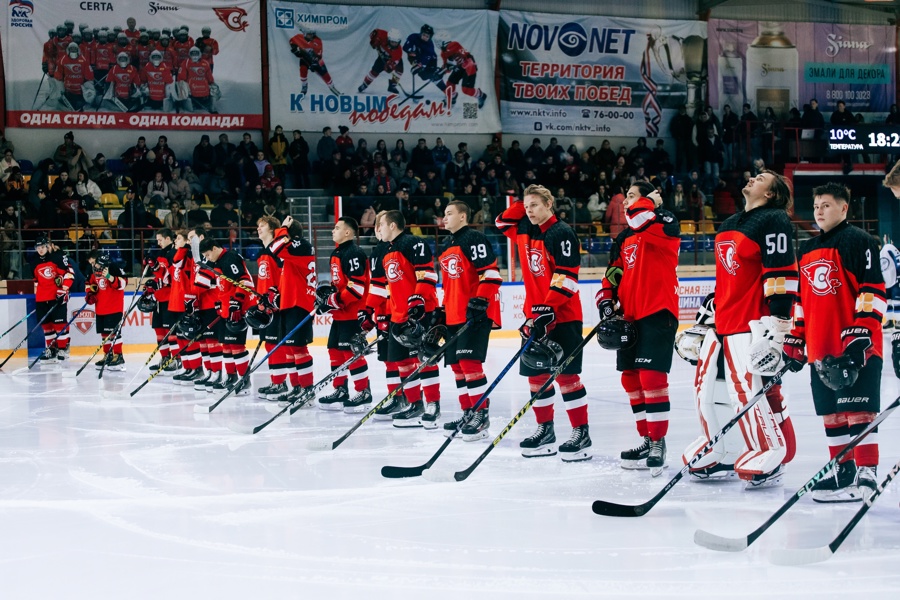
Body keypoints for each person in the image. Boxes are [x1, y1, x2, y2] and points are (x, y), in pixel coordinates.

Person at [681, 169, 798, 488]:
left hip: (752, 323)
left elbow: (782, 273)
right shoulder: (730, 224)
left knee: (746, 390)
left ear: (772, 194)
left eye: (760, 178)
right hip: (723, 322)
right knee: (706, 388)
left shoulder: (774, 219)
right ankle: (720, 446)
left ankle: (769, 448)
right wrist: (709, 315)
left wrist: (779, 326)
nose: (751, 179)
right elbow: (726, 278)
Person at [783, 183, 883, 502]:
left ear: (844, 208)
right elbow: (801, 300)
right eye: (815, 206)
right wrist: (797, 340)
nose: (819, 211)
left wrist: (862, 333)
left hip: (857, 347)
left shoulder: (862, 241)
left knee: (859, 412)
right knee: (832, 415)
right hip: (820, 347)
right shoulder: (807, 248)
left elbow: (873, 291)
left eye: (826, 205)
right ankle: (844, 472)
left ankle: (867, 471)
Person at [495, 184, 590, 461]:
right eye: (526, 206)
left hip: (562, 316)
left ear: (550, 204)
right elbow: (502, 221)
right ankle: (544, 430)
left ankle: (581, 433)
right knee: (536, 377)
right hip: (534, 318)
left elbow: (568, 277)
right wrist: (524, 200)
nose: (529, 210)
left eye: (535, 205)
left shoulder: (561, 233)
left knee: (566, 377)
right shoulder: (524, 228)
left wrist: (547, 307)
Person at [597, 182, 680, 475]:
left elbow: (640, 218)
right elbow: (612, 274)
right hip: (629, 316)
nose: (627, 202)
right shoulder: (624, 238)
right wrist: (606, 300)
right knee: (631, 380)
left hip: (657, 311)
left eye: (632, 196)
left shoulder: (665, 222)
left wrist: (648, 202)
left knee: (652, 378)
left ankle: (659, 441)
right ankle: (647, 438)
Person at [358, 210, 440, 426]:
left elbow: (428, 274)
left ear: (392, 225)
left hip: (420, 312)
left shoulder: (414, 243)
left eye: (381, 225)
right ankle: (415, 404)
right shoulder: (386, 252)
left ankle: (433, 403)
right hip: (398, 314)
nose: (378, 230)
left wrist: (417, 299)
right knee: (402, 361)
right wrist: (367, 310)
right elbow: (378, 287)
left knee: (424, 359)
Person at [435, 201, 502, 438]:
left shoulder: (474, 238)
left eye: (449, 213)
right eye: (444, 213)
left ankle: (480, 415)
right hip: (454, 313)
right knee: (457, 367)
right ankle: (468, 412)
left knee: (470, 365)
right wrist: (442, 310)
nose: (444, 218)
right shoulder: (445, 244)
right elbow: (450, 283)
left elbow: (491, 273)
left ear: (463, 216)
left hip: (475, 314)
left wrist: (480, 302)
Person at [315, 217, 373, 412]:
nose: (333, 230)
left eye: (337, 228)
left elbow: (357, 287)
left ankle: (363, 391)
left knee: (351, 353)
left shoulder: (354, 253)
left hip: (353, 313)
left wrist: (333, 301)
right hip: (340, 314)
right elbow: (339, 284)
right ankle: (340, 389)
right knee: (334, 349)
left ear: (348, 232)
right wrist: (328, 299)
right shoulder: (337, 252)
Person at [195, 238, 255, 396]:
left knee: (236, 346)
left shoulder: (230, 258)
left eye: (208, 254)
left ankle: (244, 379)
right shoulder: (217, 263)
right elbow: (222, 286)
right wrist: (219, 303)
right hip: (226, 308)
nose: (207, 258)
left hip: (237, 308)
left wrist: (237, 302)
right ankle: (230, 376)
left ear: (215, 248)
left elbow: (244, 280)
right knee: (226, 345)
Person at [268, 215, 318, 403]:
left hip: (299, 303)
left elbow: (275, 248)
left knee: (298, 349)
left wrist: (282, 227)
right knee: (290, 349)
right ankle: (296, 387)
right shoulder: (293, 250)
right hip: (289, 303)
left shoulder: (301, 245)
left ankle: (307, 389)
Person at [249, 217, 288, 400]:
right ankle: (276, 380)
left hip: (276, 306)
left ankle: (280, 382)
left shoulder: (277, 250)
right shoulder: (263, 252)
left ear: (273, 229)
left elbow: (285, 275)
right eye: (258, 225)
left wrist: (276, 295)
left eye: (262, 225)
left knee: (276, 344)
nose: (258, 228)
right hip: (264, 306)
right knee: (269, 344)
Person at [32, 236, 75, 363]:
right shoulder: (34, 261)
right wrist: (38, 297)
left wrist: (65, 288)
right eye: (38, 248)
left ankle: (63, 349)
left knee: (59, 324)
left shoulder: (58, 257)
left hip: (57, 296)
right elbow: (36, 281)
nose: (40, 250)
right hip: (42, 298)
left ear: (48, 246)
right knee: (46, 325)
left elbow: (69, 273)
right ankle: (51, 349)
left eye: (42, 247)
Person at [85, 252, 127, 371]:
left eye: (94, 263)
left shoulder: (114, 267)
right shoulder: (93, 270)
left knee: (114, 334)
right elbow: (89, 283)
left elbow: (123, 284)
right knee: (104, 334)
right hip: (100, 308)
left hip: (114, 307)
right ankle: (107, 355)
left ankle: (118, 356)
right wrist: (90, 292)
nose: (94, 265)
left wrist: (110, 277)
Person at [144, 228, 178, 374]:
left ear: (168, 239)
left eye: (160, 239)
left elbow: (169, 278)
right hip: (159, 297)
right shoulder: (160, 254)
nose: (158, 243)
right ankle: (165, 358)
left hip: (170, 298)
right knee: (159, 329)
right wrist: (152, 284)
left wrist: (155, 267)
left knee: (171, 331)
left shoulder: (173, 254)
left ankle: (176, 360)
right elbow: (159, 278)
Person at [434, 34, 486, 108]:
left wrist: (453, 64)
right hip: (459, 67)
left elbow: (467, 55)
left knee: (466, 90)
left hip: (468, 66)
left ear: (443, 41)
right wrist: (441, 72)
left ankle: (481, 95)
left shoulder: (454, 44)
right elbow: (447, 66)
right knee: (450, 83)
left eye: (438, 42)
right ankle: (453, 97)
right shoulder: (443, 53)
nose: (437, 44)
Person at [289, 25, 341, 96]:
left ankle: (332, 87)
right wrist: (295, 49)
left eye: (312, 34)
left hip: (316, 60)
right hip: (304, 58)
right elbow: (291, 41)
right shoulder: (298, 37)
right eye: (309, 34)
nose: (311, 36)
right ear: (304, 33)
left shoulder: (317, 40)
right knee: (303, 69)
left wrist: (314, 63)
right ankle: (304, 85)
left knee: (324, 73)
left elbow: (319, 56)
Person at [358, 28, 404, 94]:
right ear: (388, 39)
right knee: (374, 71)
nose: (394, 44)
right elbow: (374, 33)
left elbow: (393, 64)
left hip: (391, 59)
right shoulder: (382, 35)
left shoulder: (398, 51)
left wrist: (389, 67)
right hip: (382, 57)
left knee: (400, 70)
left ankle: (392, 85)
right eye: (392, 42)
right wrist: (374, 39)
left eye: (396, 42)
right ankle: (365, 84)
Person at [881, 236, 900, 329]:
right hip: (886, 281)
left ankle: (898, 320)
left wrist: (899, 276)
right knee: (887, 301)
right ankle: (888, 321)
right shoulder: (881, 252)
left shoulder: (889, 248)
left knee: (896, 301)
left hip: (894, 280)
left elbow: (898, 260)